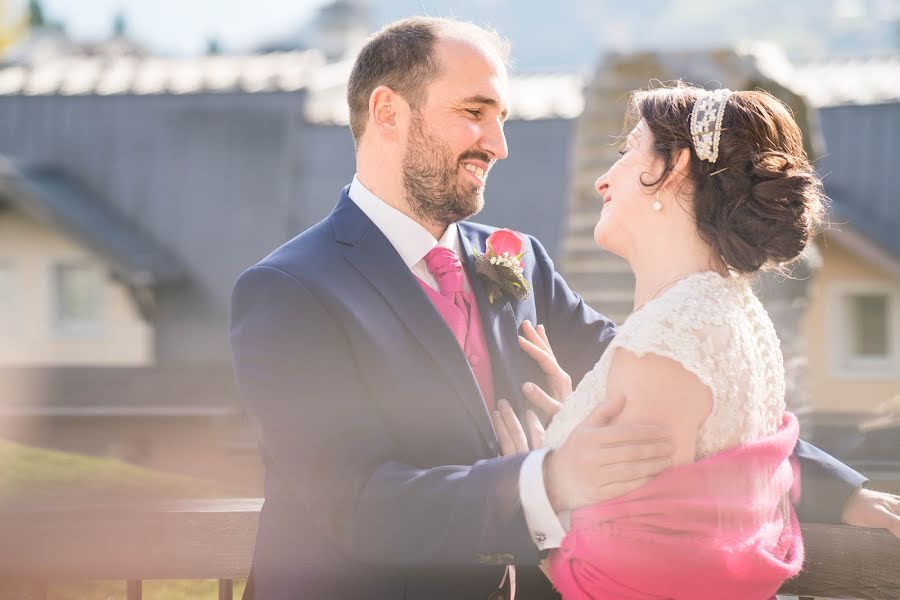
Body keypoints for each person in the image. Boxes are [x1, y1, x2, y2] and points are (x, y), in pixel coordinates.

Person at [230, 17, 900, 600]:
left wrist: (838, 491)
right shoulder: (289, 293)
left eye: (501, 118)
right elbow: (357, 505)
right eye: (474, 111)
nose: (499, 144)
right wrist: (549, 479)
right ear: (387, 113)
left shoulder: (513, 260)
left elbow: (679, 377)